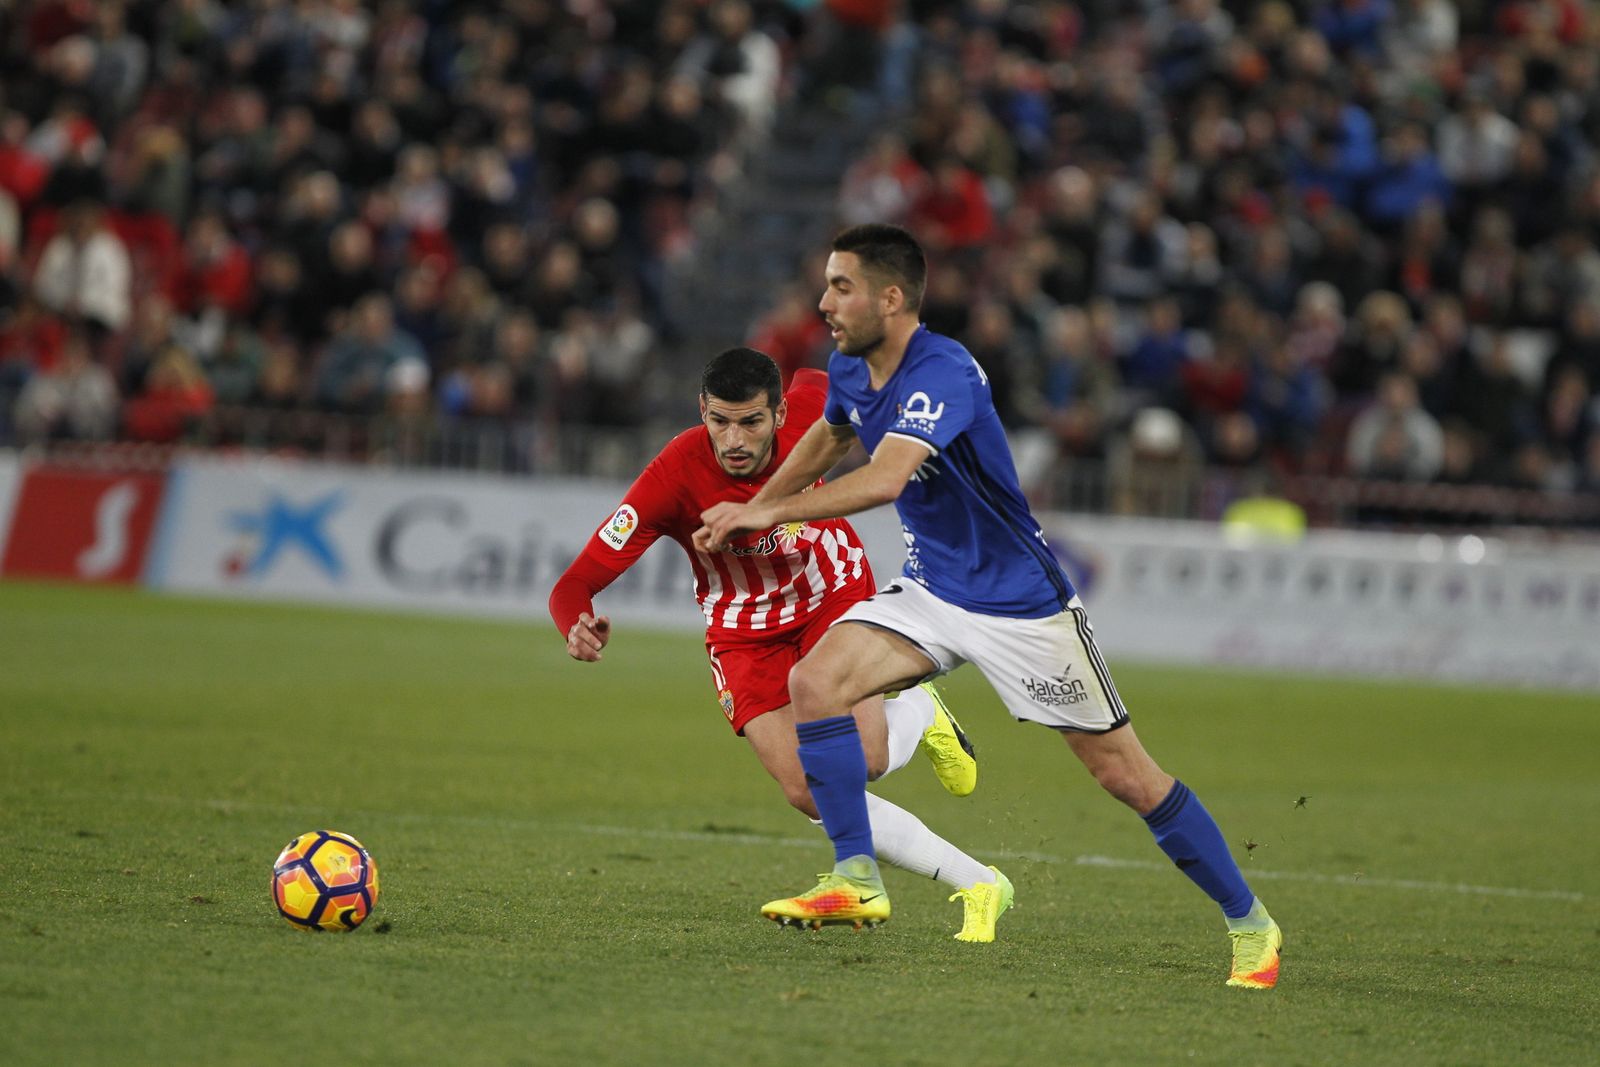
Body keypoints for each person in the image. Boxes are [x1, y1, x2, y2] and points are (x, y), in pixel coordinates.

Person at [698, 224, 1283, 989]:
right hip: (935, 587)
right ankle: (857, 875)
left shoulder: (942, 373)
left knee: (1127, 777)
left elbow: (885, 479)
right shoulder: (849, 365)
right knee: (816, 683)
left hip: (1022, 607)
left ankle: (1250, 923)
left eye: (842, 287)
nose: (824, 301)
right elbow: (829, 438)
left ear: (892, 297)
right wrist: (763, 499)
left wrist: (768, 514)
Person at [550, 346, 1013, 941]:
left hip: (830, 595)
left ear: (779, 414)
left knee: (860, 763)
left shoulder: (813, 408)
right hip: (743, 635)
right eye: (719, 421)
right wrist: (577, 625)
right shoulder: (673, 476)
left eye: (751, 421)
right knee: (811, 790)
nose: (734, 439)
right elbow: (574, 584)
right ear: (702, 411)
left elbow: (848, 377)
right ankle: (980, 879)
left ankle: (917, 712)